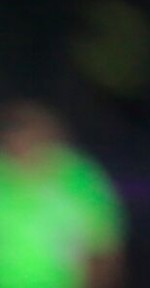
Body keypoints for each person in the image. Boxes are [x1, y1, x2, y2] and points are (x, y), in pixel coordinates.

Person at [0, 100, 126, 288]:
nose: (22, 138)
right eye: (14, 127)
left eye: (30, 127)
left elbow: (105, 250)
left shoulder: (81, 179)